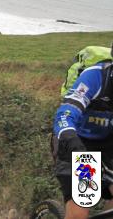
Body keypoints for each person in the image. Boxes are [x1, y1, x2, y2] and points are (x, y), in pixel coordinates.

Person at [53, 47, 113, 219]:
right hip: (79, 142)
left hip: (108, 143)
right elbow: (66, 113)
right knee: (82, 206)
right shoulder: (95, 76)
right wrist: (69, 137)